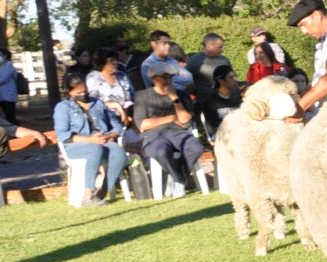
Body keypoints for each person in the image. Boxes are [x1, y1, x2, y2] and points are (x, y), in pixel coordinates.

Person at [52, 71, 126, 206]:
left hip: (101, 140)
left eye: (84, 91)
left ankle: (103, 191)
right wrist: (90, 139)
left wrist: (109, 135)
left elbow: (117, 126)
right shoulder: (63, 108)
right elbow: (63, 135)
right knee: (95, 149)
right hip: (76, 144)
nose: (83, 95)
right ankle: (88, 193)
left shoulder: (98, 103)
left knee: (118, 153)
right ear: (69, 92)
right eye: (78, 93)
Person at [133, 66, 213, 180]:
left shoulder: (181, 95)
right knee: (162, 151)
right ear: (154, 79)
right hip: (155, 136)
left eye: (170, 77)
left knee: (196, 148)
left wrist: (174, 98)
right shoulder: (142, 96)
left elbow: (186, 122)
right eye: (165, 77)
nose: (168, 81)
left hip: (179, 133)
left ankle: (178, 178)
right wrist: (171, 118)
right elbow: (142, 125)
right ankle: (179, 179)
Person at [87, 50, 134, 129]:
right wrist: (117, 107)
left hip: (128, 117)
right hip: (108, 121)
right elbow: (93, 103)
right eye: (111, 61)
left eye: (116, 60)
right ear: (102, 63)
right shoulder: (94, 77)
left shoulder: (121, 75)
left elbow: (132, 94)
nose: (115, 63)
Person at [0, 48, 19, 123]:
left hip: (9, 93)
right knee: (4, 114)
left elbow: (4, 78)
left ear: (5, 56)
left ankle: (16, 130)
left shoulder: (9, 65)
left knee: (10, 115)